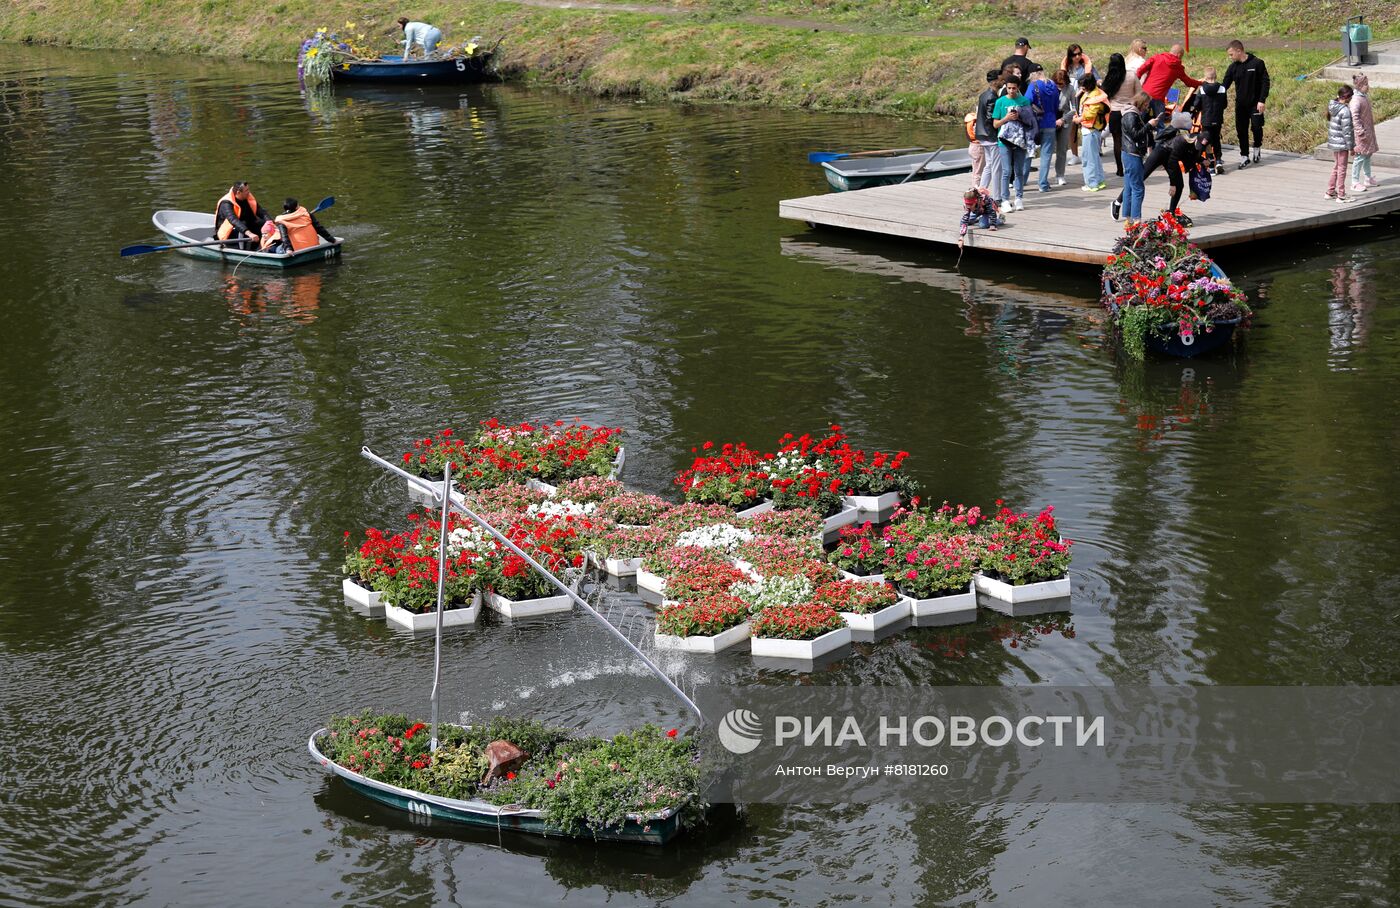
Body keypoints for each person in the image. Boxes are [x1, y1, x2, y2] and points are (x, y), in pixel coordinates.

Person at [1142, 113, 1204, 220]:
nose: (1191, 123)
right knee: (1140, 177)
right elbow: (1172, 160)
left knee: (1179, 185)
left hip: (1170, 157)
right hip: (1161, 153)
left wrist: (1202, 160)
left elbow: (1187, 154)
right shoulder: (1178, 133)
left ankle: (1171, 212)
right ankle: (1118, 201)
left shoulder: (1189, 136)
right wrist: (1172, 183)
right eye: (1189, 122)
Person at [1222, 40, 1270, 168]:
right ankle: (1244, 156)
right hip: (1241, 105)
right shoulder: (1233, 67)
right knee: (1241, 131)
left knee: (1256, 127)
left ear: (1239, 51)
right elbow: (1224, 86)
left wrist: (1262, 100)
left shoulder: (1257, 63)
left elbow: (1265, 83)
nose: (1230, 57)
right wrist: (1211, 89)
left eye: (1231, 54)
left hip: (1255, 104)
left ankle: (1257, 146)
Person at [1114, 92, 1154, 229]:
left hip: (1128, 153)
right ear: (1141, 103)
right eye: (1146, 104)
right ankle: (1136, 219)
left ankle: (1129, 218)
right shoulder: (1131, 115)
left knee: (1129, 187)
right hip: (1133, 154)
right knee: (1138, 188)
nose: (1147, 107)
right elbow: (1136, 135)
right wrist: (1149, 125)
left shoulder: (1130, 113)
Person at [993, 77, 1033, 210]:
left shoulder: (1024, 101)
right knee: (1006, 171)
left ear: (1018, 88)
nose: (1011, 91)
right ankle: (1004, 200)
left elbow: (1030, 121)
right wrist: (1006, 118)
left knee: (1019, 170)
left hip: (1020, 140)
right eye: (1009, 88)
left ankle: (1019, 198)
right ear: (1005, 87)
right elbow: (995, 124)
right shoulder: (1000, 102)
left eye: (1014, 88)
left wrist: (1020, 116)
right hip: (1004, 141)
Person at [1103, 53, 1142, 177]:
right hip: (1129, 111)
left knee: (1117, 141)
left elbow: (1105, 95)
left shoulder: (1109, 78)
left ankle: (1120, 169)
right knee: (1132, 140)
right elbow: (1140, 93)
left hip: (1114, 112)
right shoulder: (1131, 75)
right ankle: (1133, 167)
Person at [1137, 43, 1201, 118]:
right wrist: (1201, 83)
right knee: (1159, 123)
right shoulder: (1178, 67)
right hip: (1159, 98)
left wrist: (1137, 80)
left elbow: (1140, 70)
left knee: (1140, 119)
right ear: (1179, 54)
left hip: (1145, 94)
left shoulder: (1157, 57)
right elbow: (1188, 82)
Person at [1185, 66, 1228, 174]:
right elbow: (1224, 105)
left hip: (1206, 120)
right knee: (1216, 139)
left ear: (1205, 77)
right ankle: (1218, 160)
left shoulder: (1202, 89)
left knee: (1207, 141)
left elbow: (1197, 105)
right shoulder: (1222, 88)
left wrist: (1196, 108)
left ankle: (1211, 165)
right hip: (1218, 119)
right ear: (1216, 76)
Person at [1027, 68, 1062, 192]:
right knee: (1046, 155)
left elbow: (1027, 103)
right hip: (1050, 122)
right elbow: (1056, 105)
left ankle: (1021, 181)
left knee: (1028, 153)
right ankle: (1043, 184)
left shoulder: (1033, 85)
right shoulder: (1053, 85)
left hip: (1035, 124)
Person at [261, 198, 336, 254]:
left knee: (272, 248)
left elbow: (284, 237)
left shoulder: (281, 220)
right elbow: (319, 229)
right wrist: (332, 240)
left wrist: (288, 249)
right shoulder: (306, 214)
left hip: (296, 250)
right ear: (297, 207)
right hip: (313, 245)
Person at [974, 70, 1006, 203]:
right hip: (991, 136)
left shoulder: (983, 95)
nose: (1003, 81)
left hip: (982, 134)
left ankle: (981, 191)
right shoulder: (993, 97)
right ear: (994, 81)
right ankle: (997, 197)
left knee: (989, 165)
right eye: (1000, 79)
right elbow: (990, 119)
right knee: (996, 167)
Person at [1061, 44, 1096, 162]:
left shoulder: (1086, 66)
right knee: (1073, 128)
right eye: (1074, 54)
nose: (1077, 56)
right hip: (1070, 100)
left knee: (1088, 126)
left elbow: (1096, 78)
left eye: (1079, 54)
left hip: (1084, 99)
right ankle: (1075, 155)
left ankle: (1094, 150)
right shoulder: (1067, 67)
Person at [1074, 74, 1109, 191]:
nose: (1081, 89)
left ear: (1088, 86)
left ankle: (1091, 184)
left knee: (1088, 158)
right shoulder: (1095, 92)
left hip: (1090, 130)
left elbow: (1090, 114)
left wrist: (1078, 119)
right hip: (1093, 130)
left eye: (1083, 87)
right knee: (1094, 157)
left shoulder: (1095, 97)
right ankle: (1099, 181)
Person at [214, 181, 267, 249]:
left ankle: (262, 246)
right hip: (230, 231)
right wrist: (249, 233)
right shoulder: (226, 203)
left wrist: (270, 222)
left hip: (245, 225)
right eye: (246, 190)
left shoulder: (247, 197)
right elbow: (233, 220)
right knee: (242, 227)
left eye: (248, 189)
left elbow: (261, 211)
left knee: (262, 224)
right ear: (239, 192)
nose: (249, 192)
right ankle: (243, 251)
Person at [1350, 74, 1380, 192]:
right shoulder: (1356, 100)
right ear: (1360, 86)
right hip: (1361, 135)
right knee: (1360, 157)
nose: (1368, 86)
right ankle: (1354, 182)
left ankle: (1367, 177)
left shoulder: (1364, 97)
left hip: (1368, 132)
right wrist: (1360, 132)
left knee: (1368, 155)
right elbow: (1354, 117)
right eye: (1366, 84)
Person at [1325, 85, 1355, 203]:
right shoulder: (1345, 110)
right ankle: (1341, 195)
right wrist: (1351, 147)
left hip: (1334, 142)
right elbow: (1347, 132)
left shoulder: (1333, 106)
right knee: (1342, 168)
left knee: (1336, 167)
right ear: (1347, 97)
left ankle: (1330, 191)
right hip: (1342, 144)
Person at [1052, 68, 1074, 186]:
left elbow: (1074, 109)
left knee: (1062, 149)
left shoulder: (1070, 89)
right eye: (1057, 83)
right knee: (1048, 149)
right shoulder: (1050, 87)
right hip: (1050, 120)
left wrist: (1063, 119)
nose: (1059, 86)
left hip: (1064, 120)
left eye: (1061, 83)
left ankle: (1060, 174)